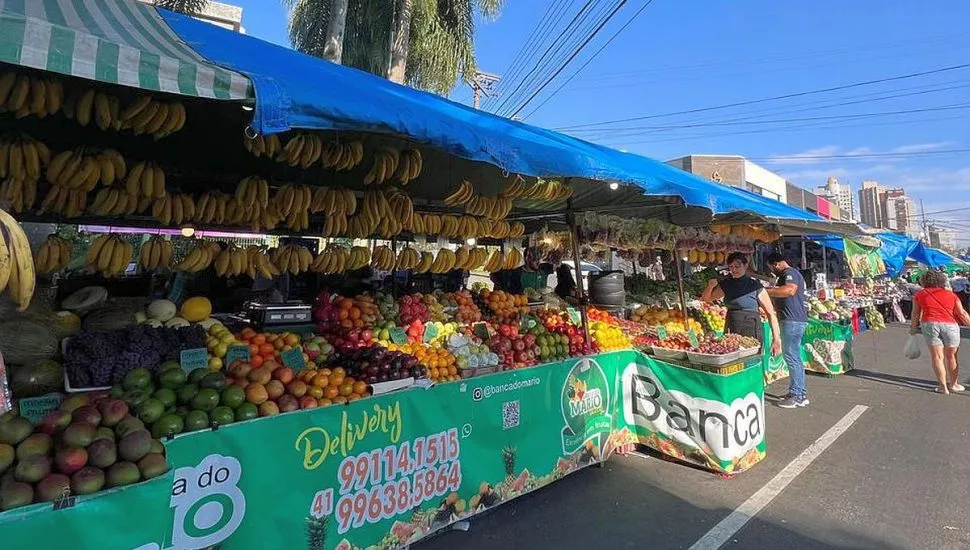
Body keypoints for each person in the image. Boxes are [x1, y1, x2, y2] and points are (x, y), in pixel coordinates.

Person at [702, 252, 782, 355]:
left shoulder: (755, 286)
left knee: (751, 359)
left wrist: (776, 340)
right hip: (732, 328)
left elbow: (770, 313)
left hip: (751, 329)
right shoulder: (726, 284)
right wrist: (710, 286)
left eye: (737, 266)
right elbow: (706, 299)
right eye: (731, 267)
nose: (734, 270)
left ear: (745, 265)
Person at [910, 270, 970, 394]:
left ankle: (943, 387)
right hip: (950, 325)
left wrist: (913, 328)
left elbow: (915, 313)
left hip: (929, 324)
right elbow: (962, 314)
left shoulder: (920, 294)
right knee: (952, 356)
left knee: (937, 357)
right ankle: (954, 384)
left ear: (924, 281)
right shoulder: (951, 295)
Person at [766, 252, 810, 408]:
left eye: (772, 267)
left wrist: (766, 291)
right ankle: (798, 392)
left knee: (791, 356)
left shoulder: (790, 273)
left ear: (777, 264)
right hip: (794, 320)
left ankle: (797, 395)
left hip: (792, 320)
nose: (772, 271)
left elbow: (789, 290)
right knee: (794, 356)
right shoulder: (790, 274)